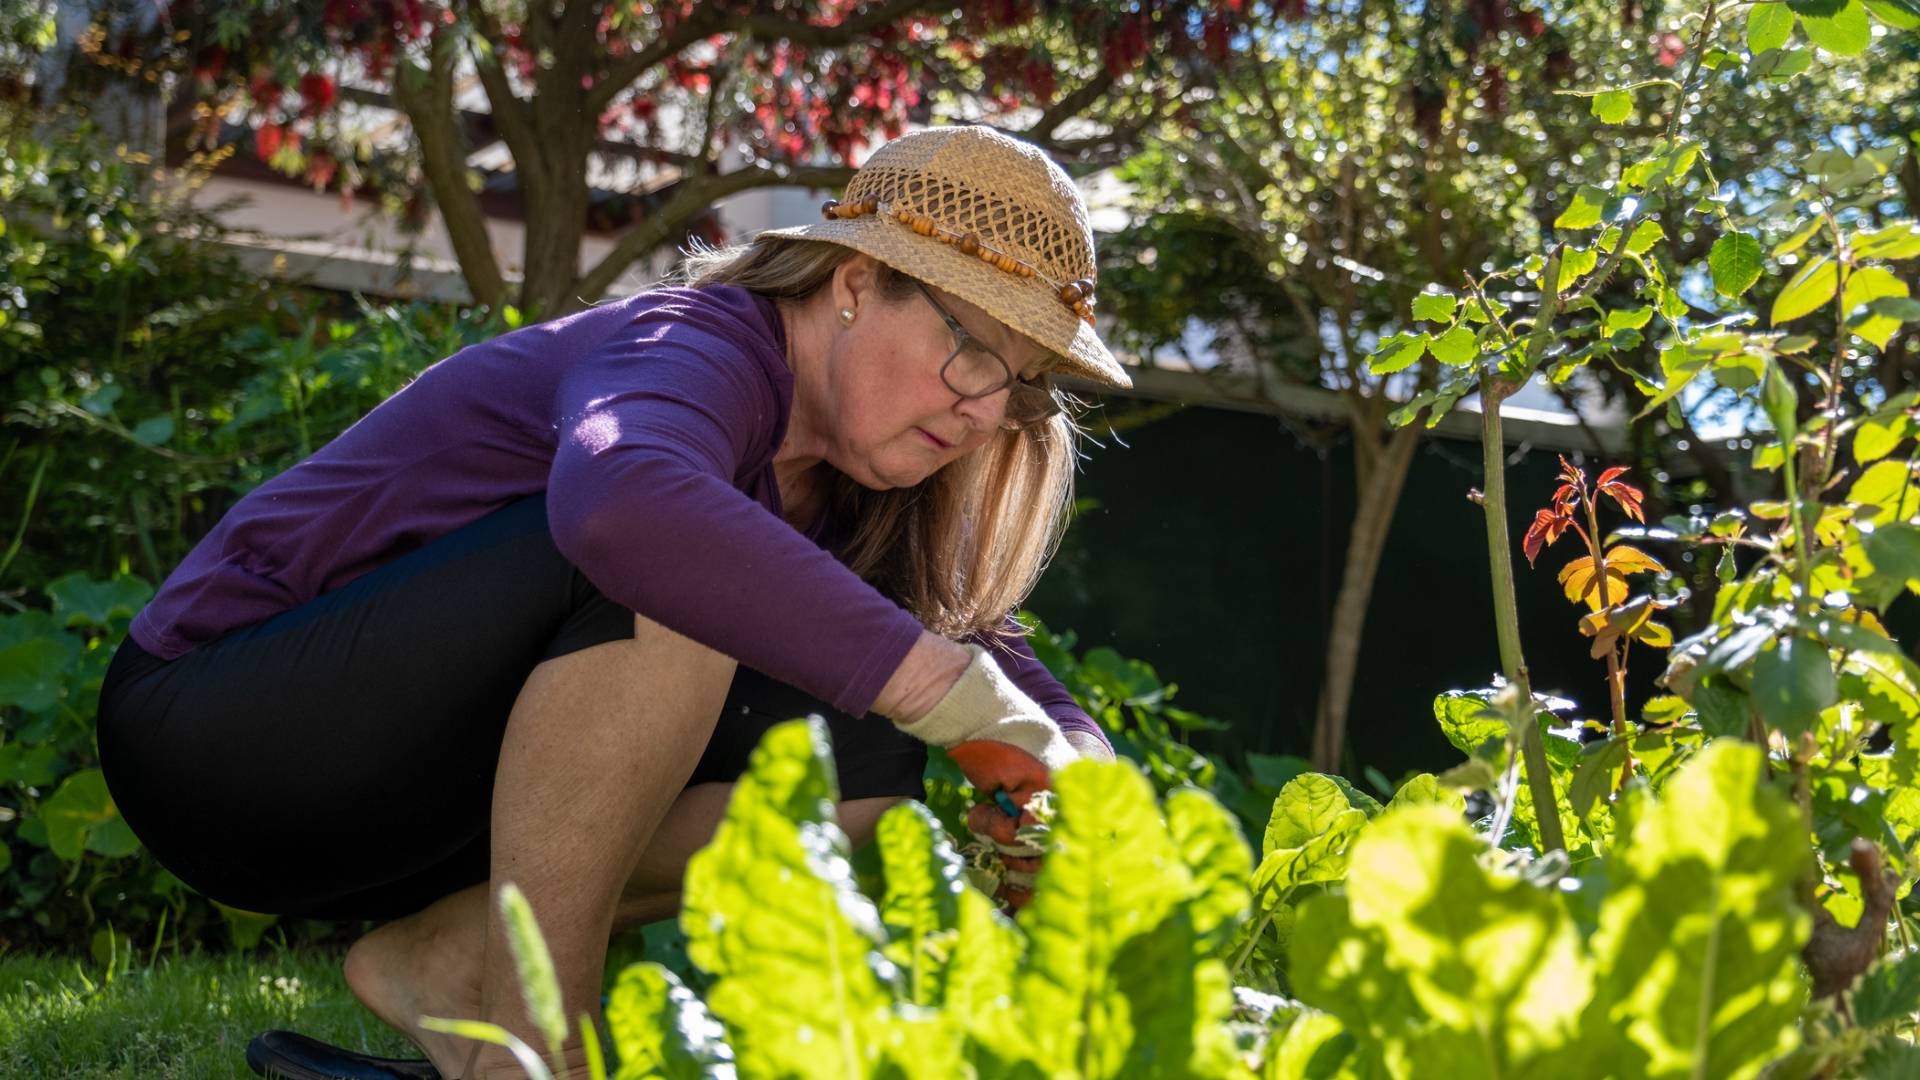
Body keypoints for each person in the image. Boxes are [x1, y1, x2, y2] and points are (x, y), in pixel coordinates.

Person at [95, 123, 1132, 1080]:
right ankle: (538, 1052)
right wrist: (945, 691)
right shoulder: (694, 349)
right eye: (976, 350)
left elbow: (989, 656)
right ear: (858, 282)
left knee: (866, 762)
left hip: (409, 804)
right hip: (220, 735)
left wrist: (1076, 783)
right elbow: (625, 498)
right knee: (679, 568)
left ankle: (449, 968)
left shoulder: (866, 485)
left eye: (1023, 385)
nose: (987, 406)